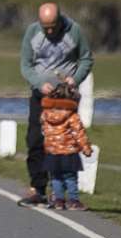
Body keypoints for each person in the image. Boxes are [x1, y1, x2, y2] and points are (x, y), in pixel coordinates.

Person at [16, 3, 93, 207]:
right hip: (41, 96)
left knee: (66, 141)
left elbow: (86, 59)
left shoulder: (74, 31)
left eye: (53, 26)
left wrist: (74, 79)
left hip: (65, 98)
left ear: (60, 20)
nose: (49, 31)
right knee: (35, 139)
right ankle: (38, 188)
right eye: (45, 27)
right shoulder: (33, 33)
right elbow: (25, 65)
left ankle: (67, 193)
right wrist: (40, 83)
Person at [38, 80, 93, 211]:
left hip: (52, 152)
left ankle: (58, 200)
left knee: (56, 177)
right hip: (69, 152)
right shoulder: (72, 116)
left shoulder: (45, 114)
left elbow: (43, 130)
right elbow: (78, 133)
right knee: (70, 177)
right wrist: (86, 148)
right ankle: (73, 200)